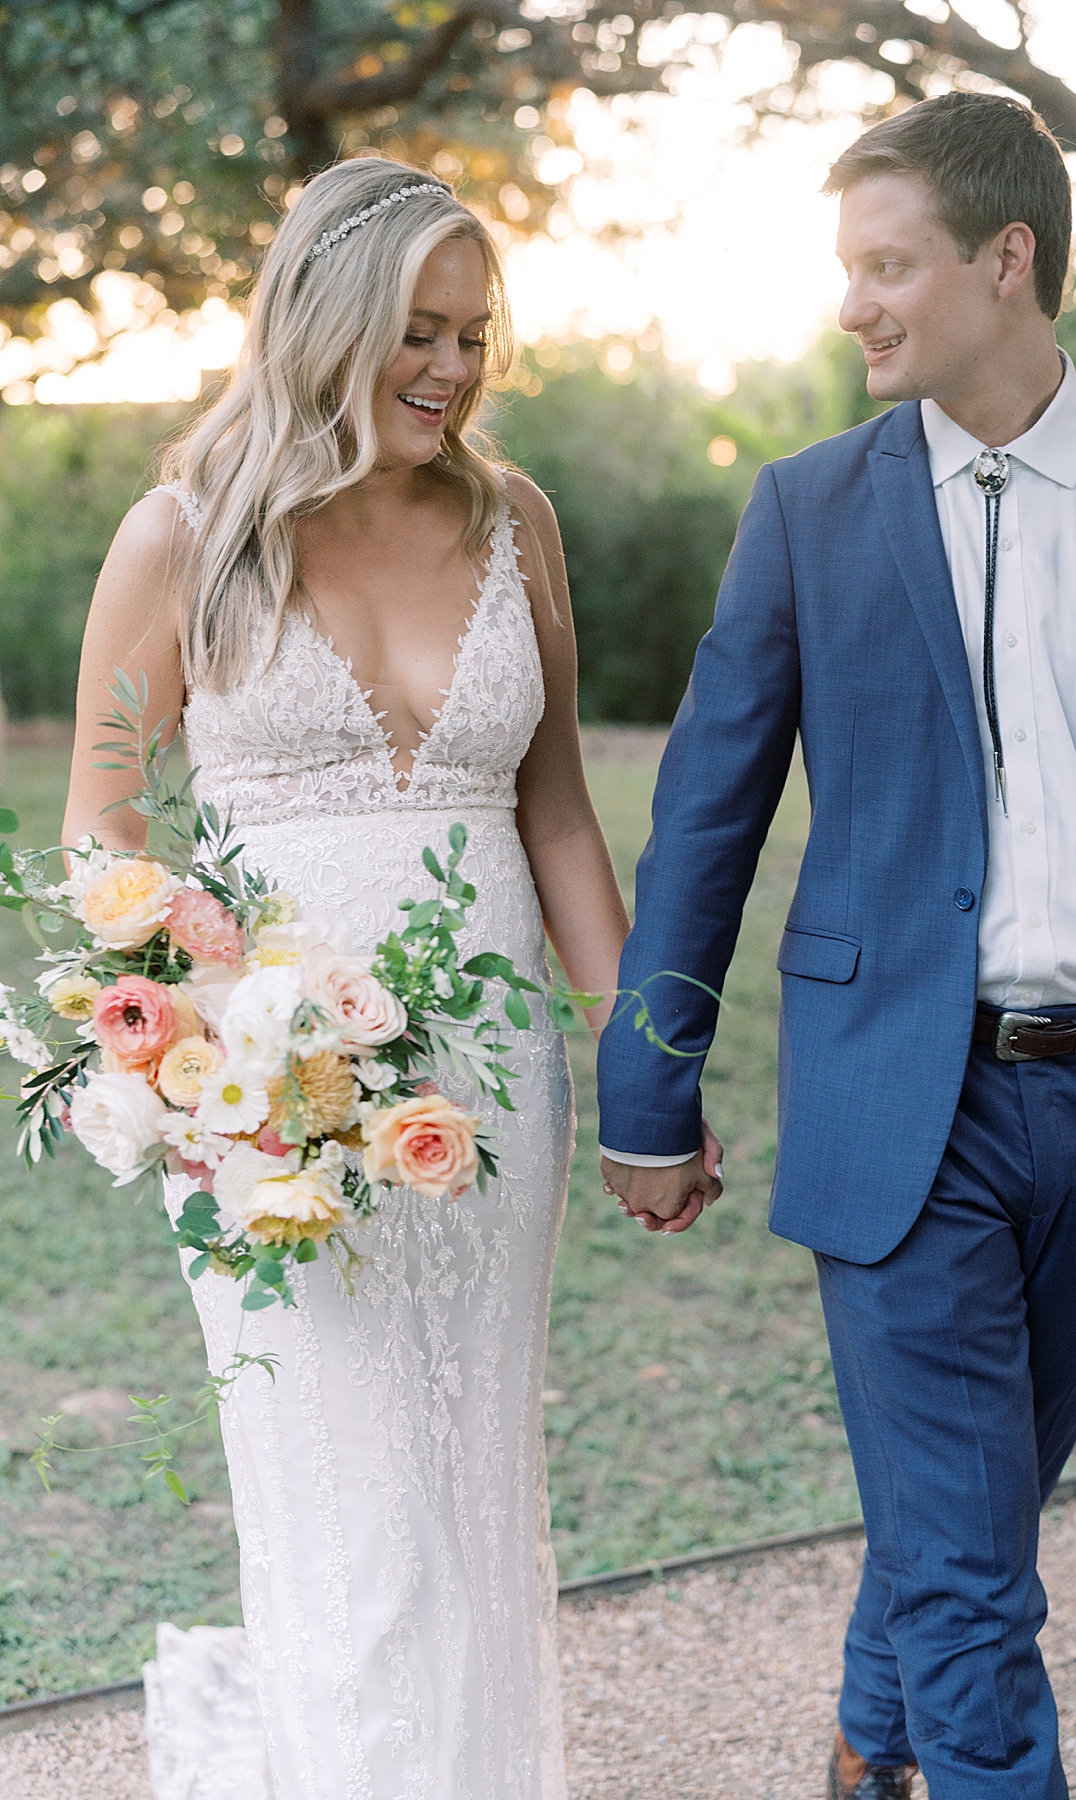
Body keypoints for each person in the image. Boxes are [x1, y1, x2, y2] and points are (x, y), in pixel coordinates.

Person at [597, 92, 1076, 1799]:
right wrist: (649, 1083)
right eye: (843, 268)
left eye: (886, 266)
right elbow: (707, 814)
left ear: (1006, 261)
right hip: (896, 1107)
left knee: (971, 1505)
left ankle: (870, 1742)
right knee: (970, 1575)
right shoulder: (807, 509)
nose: (849, 305)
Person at [63, 157, 633, 1800]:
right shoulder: (183, 538)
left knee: (463, 1478)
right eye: (416, 334)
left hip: (487, 1090)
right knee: (341, 1493)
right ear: (322, 322)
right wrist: (205, 1059)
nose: (450, 372)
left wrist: (644, 1059)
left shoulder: (509, 521)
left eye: (471, 337)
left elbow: (560, 816)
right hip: (257, 1107)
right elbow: (103, 835)